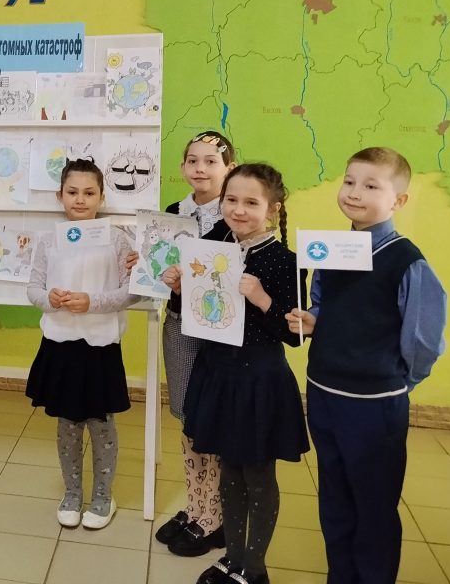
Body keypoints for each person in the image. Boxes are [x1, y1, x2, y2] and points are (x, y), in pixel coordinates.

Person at [288, 147, 446, 584]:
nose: (354, 193)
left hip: (375, 406)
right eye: (349, 181)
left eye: (371, 185)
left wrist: (395, 384)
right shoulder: (332, 249)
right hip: (324, 394)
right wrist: (313, 320)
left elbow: (424, 342)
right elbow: (324, 305)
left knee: (374, 507)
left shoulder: (406, 261)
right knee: (335, 500)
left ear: (399, 200)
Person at [164, 163, 309, 584]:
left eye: (251, 202)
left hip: (257, 383)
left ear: (273, 208)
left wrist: (262, 298)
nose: (238, 210)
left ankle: (254, 568)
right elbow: (194, 309)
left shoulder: (285, 262)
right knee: (228, 470)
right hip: (218, 374)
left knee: (257, 475)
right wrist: (179, 288)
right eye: (231, 200)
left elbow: (294, 335)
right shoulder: (214, 246)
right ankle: (233, 557)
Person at [25, 158, 139, 531]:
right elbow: (33, 288)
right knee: (68, 424)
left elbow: (132, 292)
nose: (80, 199)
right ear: (60, 196)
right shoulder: (49, 240)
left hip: (100, 345)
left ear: (101, 197)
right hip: (60, 343)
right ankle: (72, 492)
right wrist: (49, 298)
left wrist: (93, 302)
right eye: (72, 192)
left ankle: (103, 496)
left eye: (89, 193)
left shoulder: (117, 240)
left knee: (101, 424)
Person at [151, 131, 234, 556]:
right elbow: (160, 269)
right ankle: (196, 504)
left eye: (211, 161)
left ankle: (215, 515)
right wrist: (145, 265)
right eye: (192, 160)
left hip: (218, 336)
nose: (200, 169)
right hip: (180, 325)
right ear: (183, 166)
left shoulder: (235, 216)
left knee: (212, 419)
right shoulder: (172, 214)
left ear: (229, 168)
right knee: (186, 417)